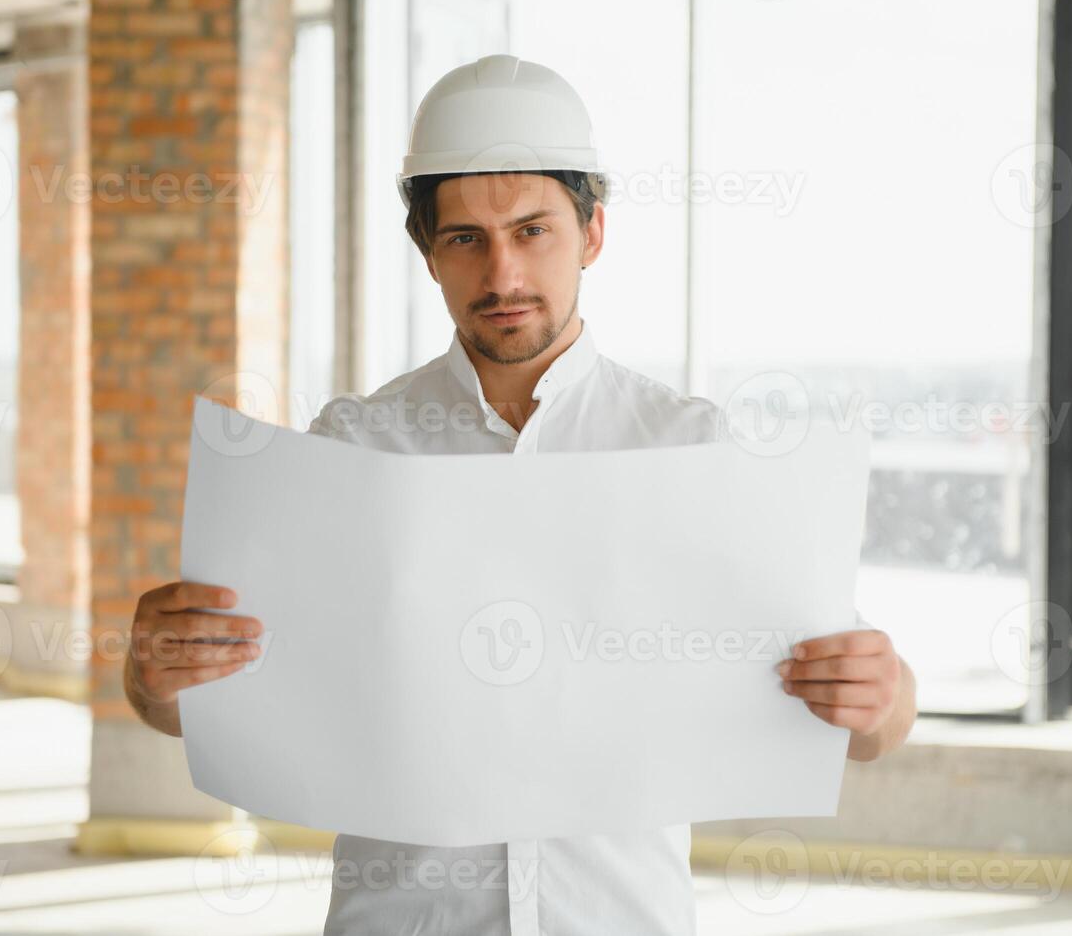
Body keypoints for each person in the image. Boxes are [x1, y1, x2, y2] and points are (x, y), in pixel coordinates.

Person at [125, 53, 917, 936]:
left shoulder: (692, 452)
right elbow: (199, 703)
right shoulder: (354, 448)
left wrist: (881, 695)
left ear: (594, 234)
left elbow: (869, 720)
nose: (501, 274)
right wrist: (154, 674)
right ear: (428, 254)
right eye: (465, 237)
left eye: (533, 229)